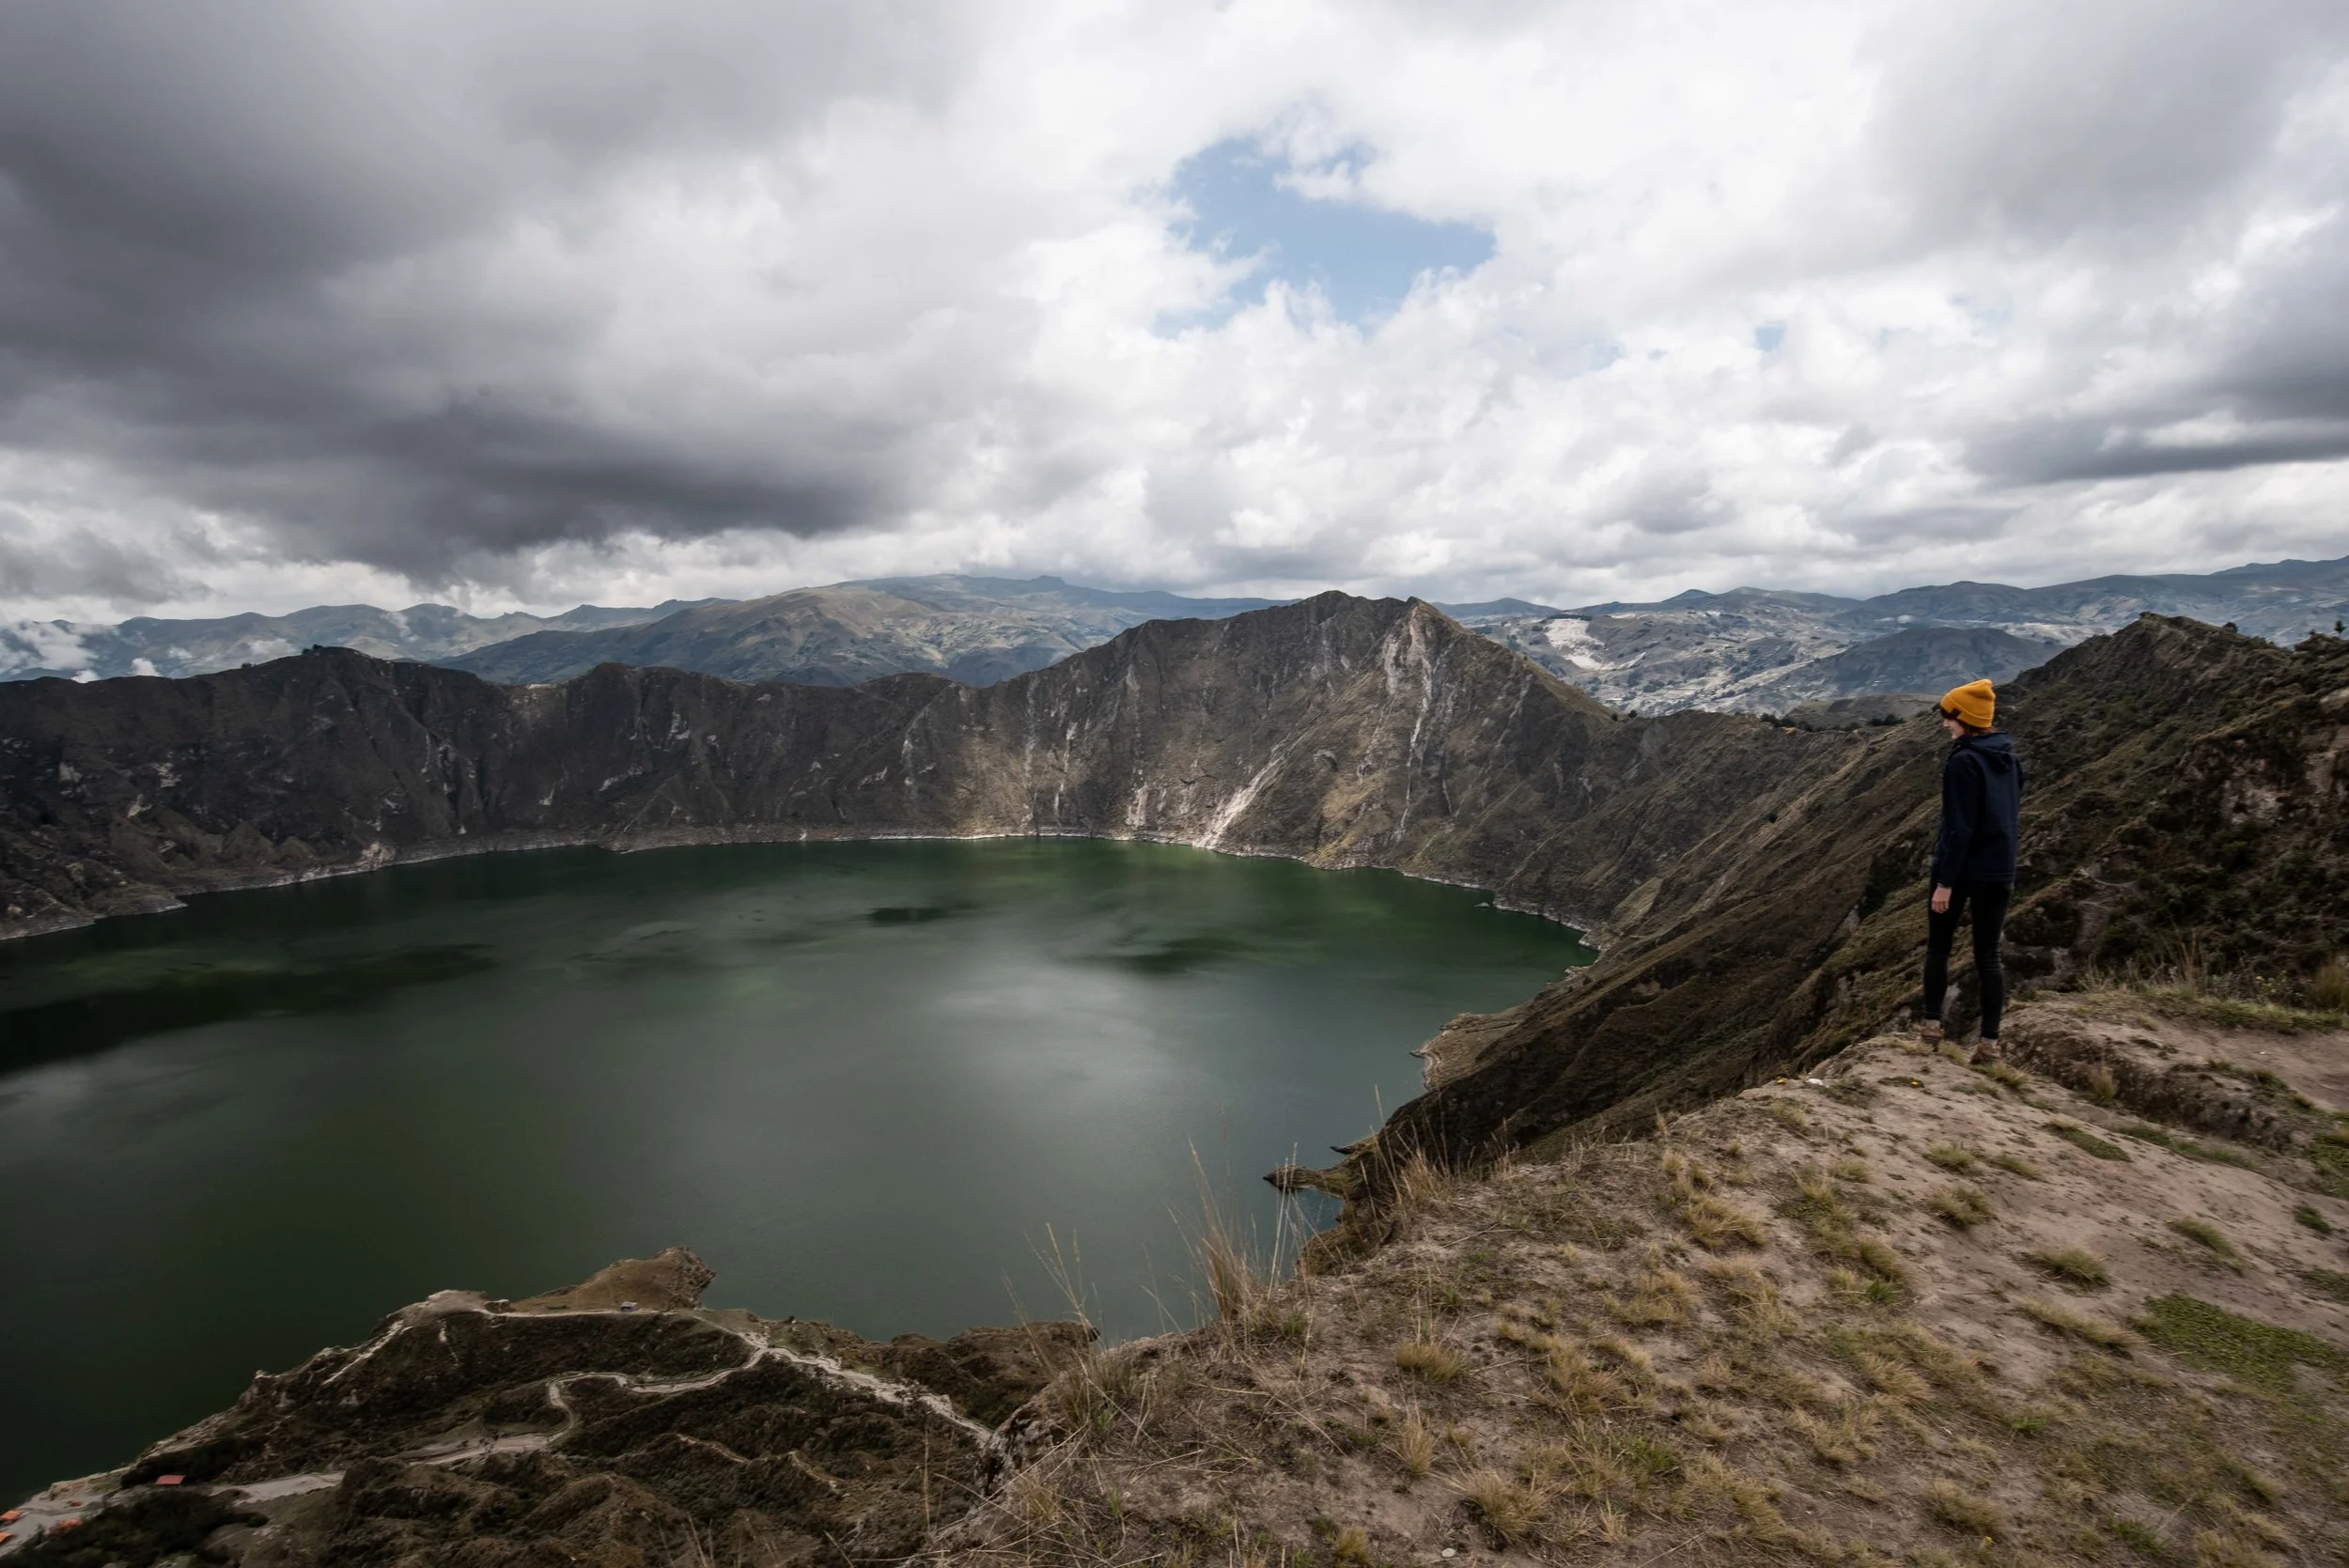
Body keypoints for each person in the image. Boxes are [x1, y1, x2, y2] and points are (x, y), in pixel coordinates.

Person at [1920, 678, 2023, 1063]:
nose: (1946, 724)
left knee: (1939, 948)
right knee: (1989, 956)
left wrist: (1946, 882)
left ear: (1964, 718)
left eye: (1949, 717)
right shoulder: (2008, 758)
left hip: (1960, 870)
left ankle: (1931, 1028)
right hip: (1999, 870)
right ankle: (1990, 1045)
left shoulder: (1963, 762)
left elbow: (1959, 828)